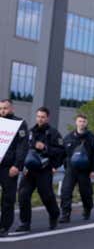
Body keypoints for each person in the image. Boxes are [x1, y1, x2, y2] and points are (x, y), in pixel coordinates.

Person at [16, 107, 64, 232]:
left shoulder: (54, 133)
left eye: (43, 117)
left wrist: (45, 148)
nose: (40, 119)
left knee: (46, 196)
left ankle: (54, 215)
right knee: (23, 194)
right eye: (38, 116)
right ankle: (25, 223)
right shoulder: (30, 132)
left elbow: (61, 151)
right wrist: (23, 166)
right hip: (30, 169)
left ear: (47, 118)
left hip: (45, 169)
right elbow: (23, 150)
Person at [59, 114, 94, 223]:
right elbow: (62, 153)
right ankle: (65, 214)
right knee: (66, 191)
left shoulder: (91, 138)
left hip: (85, 170)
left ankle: (87, 209)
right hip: (71, 170)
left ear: (86, 123)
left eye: (83, 121)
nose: (82, 123)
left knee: (86, 193)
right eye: (80, 121)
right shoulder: (68, 137)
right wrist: (64, 165)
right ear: (76, 122)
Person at [0, 99, 29, 237]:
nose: (2, 111)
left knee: (8, 198)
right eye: (0, 108)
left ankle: (4, 226)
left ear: (12, 108)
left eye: (5, 108)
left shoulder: (19, 124)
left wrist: (17, 165)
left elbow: (22, 147)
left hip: (9, 167)